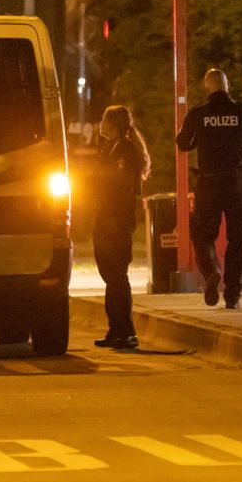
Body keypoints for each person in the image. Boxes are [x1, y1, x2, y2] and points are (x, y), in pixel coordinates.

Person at [177, 68, 242, 309]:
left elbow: (182, 143)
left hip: (209, 183)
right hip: (237, 185)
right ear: (228, 86)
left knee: (203, 236)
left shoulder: (199, 114)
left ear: (207, 87)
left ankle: (213, 272)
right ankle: (233, 296)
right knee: (237, 240)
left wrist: (199, 139)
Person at [92, 105, 151, 348]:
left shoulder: (123, 151)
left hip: (115, 221)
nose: (101, 124)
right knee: (111, 276)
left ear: (114, 123)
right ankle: (116, 329)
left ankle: (126, 331)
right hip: (108, 219)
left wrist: (115, 220)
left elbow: (122, 189)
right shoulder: (113, 148)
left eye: (104, 119)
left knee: (116, 275)